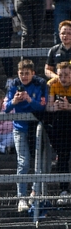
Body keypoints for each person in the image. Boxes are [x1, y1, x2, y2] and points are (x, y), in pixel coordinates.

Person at [4, 59, 47, 212]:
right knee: (23, 162)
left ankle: (34, 193)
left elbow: (42, 107)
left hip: (37, 127)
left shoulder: (40, 83)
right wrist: (14, 101)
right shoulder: (14, 84)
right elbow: (6, 108)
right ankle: (21, 197)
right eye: (21, 73)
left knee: (38, 163)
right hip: (19, 128)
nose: (24, 76)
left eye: (27, 73)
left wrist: (29, 99)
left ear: (33, 73)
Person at [44, 61, 71, 203]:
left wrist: (69, 106)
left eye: (67, 75)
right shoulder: (52, 84)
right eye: (61, 75)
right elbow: (48, 107)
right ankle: (64, 190)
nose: (63, 78)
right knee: (63, 157)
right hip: (61, 126)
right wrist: (54, 107)